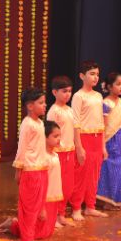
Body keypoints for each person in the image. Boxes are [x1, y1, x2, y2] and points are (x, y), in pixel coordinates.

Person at [0, 120, 63, 241]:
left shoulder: (55, 155)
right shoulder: (41, 158)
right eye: (55, 136)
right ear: (44, 138)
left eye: (59, 136)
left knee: (47, 233)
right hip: (43, 198)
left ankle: (18, 224)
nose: (59, 139)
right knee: (37, 234)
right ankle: (13, 224)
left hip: (53, 197)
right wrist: (41, 207)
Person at [5, 88, 49, 241]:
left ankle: (30, 238)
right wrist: (19, 170)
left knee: (36, 207)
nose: (44, 105)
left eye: (44, 102)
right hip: (30, 170)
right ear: (30, 106)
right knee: (29, 208)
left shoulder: (39, 123)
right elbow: (22, 148)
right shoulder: (27, 124)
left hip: (40, 169)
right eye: (41, 103)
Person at [70, 60, 108, 221]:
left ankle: (90, 206)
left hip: (97, 139)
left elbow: (101, 122)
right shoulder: (78, 96)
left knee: (94, 175)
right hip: (84, 138)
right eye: (92, 74)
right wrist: (79, 147)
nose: (95, 77)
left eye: (97, 74)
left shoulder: (98, 96)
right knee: (81, 175)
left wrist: (103, 146)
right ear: (82, 76)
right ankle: (76, 208)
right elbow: (75, 122)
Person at [96, 72, 121, 209]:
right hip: (108, 141)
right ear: (109, 87)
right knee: (108, 170)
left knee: (118, 171)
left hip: (119, 140)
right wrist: (103, 145)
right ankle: (106, 201)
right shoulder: (106, 103)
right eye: (118, 84)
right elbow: (103, 126)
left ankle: (116, 200)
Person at [46, 76, 76, 226]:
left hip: (70, 151)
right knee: (56, 185)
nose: (67, 94)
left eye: (70, 91)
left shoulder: (70, 110)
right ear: (54, 92)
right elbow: (50, 135)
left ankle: (61, 214)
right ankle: (53, 216)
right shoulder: (54, 111)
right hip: (58, 153)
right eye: (64, 91)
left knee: (68, 186)